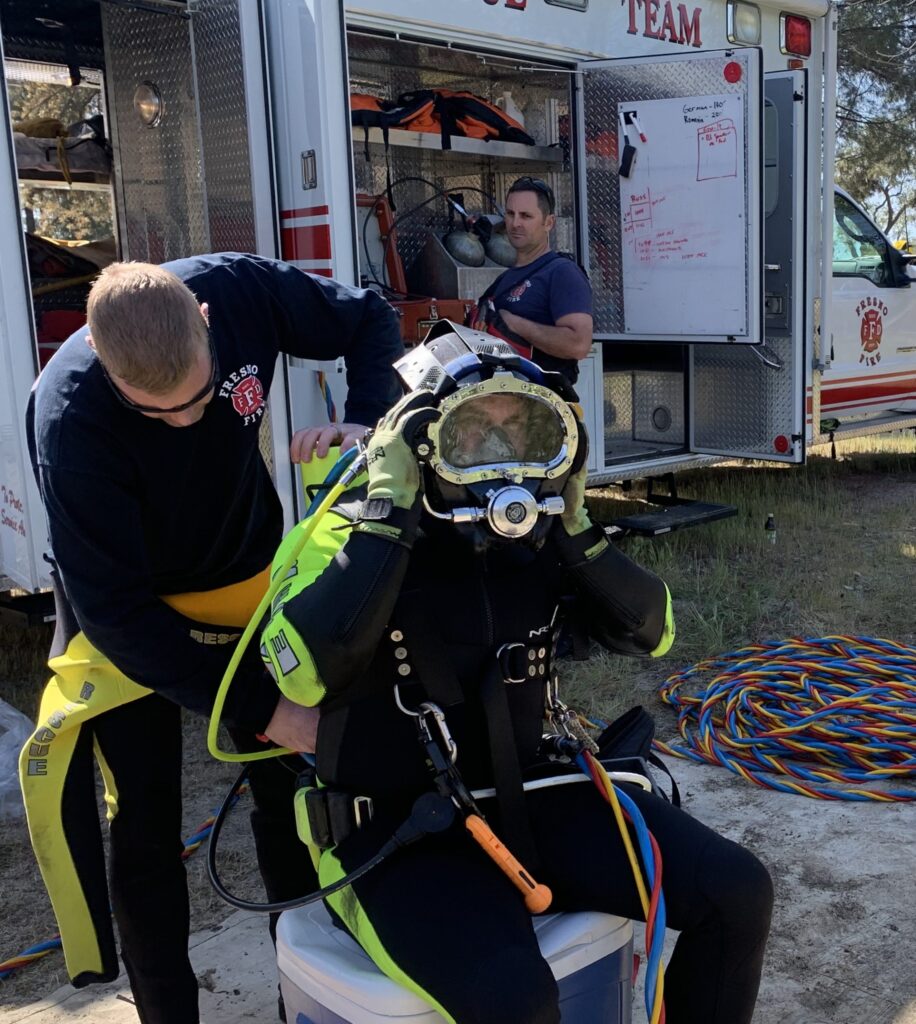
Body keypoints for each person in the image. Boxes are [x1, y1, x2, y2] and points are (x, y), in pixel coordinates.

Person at [259, 324, 774, 1024]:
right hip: (393, 835)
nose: (499, 455)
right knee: (517, 1001)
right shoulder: (343, 532)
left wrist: (577, 521)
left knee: (737, 891)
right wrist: (386, 514)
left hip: (530, 797)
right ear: (421, 439)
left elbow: (654, 632)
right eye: (475, 431)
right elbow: (300, 675)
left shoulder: (537, 534)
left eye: (521, 429)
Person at [19, 252, 403, 1024]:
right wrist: (263, 706)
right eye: (157, 413)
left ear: (204, 319)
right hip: (133, 618)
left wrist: (368, 417)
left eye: (199, 398)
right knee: (145, 823)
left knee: (292, 801)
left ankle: (311, 985)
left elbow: (370, 317)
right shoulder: (71, 424)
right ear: (100, 357)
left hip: (246, 582)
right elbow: (119, 614)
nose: (188, 422)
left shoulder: (239, 291)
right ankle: (168, 1012)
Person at [470, 176, 593, 384]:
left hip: (539, 407)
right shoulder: (504, 280)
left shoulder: (562, 273)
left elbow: (578, 344)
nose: (515, 223)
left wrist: (516, 325)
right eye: (510, 214)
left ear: (549, 222)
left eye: (526, 216)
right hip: (497, 400)